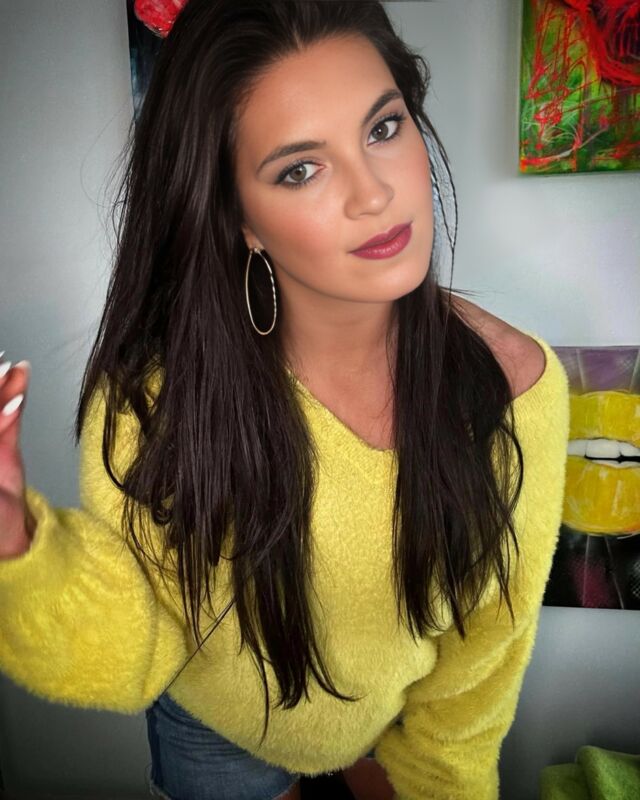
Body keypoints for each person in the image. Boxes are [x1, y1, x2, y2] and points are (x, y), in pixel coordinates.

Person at [0, 1, 570, 799]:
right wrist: (15, 548)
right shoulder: (154, 403)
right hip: (212, 730)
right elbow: (141, 645)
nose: (374, 194)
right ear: (240, 218)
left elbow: (479, 673)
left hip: (391, 726)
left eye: (383, 128)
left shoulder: (515, 389)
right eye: (300, 169)